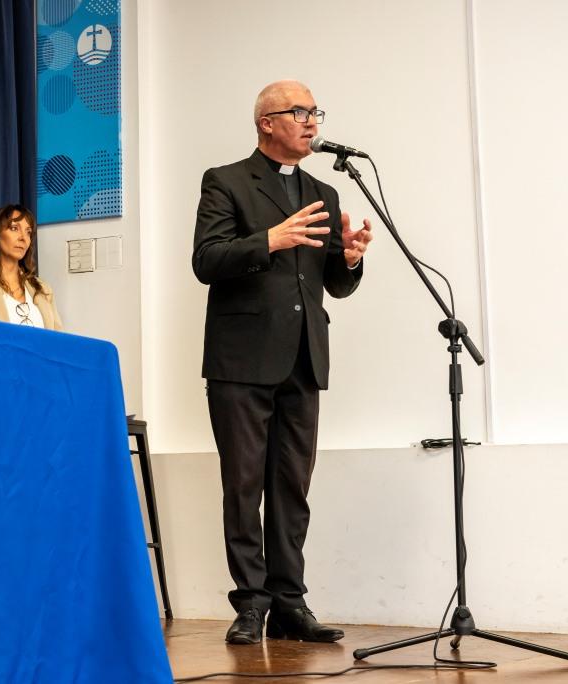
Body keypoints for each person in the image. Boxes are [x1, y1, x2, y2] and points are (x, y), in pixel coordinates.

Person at [192, 80, 373, 645]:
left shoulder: (324, 190)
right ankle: (250, 605)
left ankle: (290, 603)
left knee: (292, 487)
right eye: (299, 112)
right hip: (241, 359)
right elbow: (207, 260)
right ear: (267, 122)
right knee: (244, 485)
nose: (312, 122)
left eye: (315, 112)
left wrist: (349, 259)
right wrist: (267, 240)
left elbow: (333, 286)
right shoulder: (225, 181)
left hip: (303, 358)